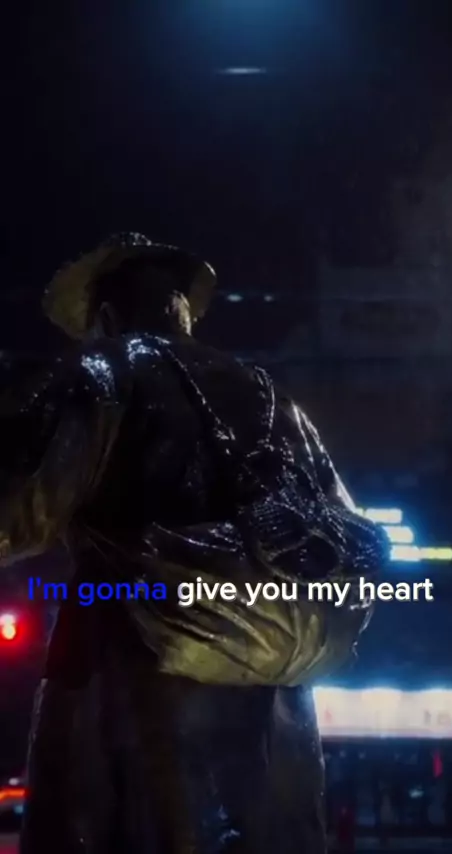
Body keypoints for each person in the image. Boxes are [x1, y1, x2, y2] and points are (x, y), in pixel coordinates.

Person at [0, 232, 388, 853]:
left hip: (133, 691)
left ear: (106, 316)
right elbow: (351, 538)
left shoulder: (105, 371)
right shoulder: (276, 400)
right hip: (277, 711)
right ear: (183, 309)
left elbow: (17, 510)